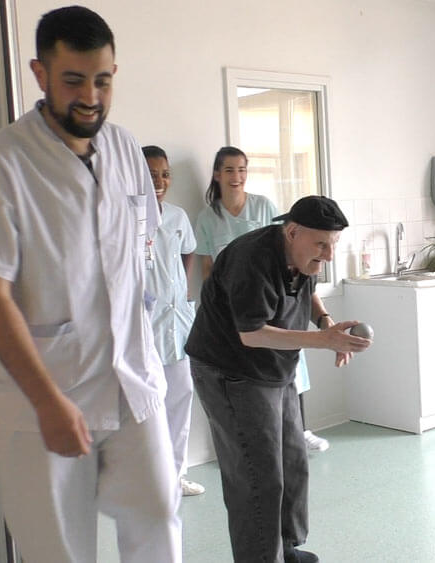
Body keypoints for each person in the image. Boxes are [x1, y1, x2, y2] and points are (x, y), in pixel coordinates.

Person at [0, 7, 180, 562]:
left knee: (158, 523)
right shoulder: (0, 163)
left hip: (130, 384)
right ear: (40, 73)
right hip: (43, 395)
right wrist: (48, 402)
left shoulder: (125, 149)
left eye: (103, 80)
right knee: (59, 549)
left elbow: (138, 246)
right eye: (73, 80)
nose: (90, 96)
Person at [186, 195, 371, 563]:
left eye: (332, 245)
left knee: (292, 461)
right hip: (231, 373)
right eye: (321, 245)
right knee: (257, 478)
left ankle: (284, 550)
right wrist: (323, 341)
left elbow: (308, 288)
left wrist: (325, 321)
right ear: (291, 231)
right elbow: (251, 333)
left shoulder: (301, 255)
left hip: (275, 369)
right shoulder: (250, 259)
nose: (328, 255)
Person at [194, 146, 331, 452]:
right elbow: (208, 270)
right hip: (236, 308)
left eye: (242, 169)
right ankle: (250, 444)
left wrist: (323, 320)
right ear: (217, 175)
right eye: (229, 170)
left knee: (289, 364)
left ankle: (298, 428)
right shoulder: (208, 218)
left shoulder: (263, 207)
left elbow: (296, 262)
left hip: (275, 301)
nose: (236, 176)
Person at [142, 145, 206, 497]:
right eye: (151, 174)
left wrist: (181, 293)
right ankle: (149, 481)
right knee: (147, 407)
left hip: (178, 323)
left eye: (164, 174)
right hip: (145, 328)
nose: (160, 181)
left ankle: (175, 476)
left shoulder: (178, 217)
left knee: (181, 400)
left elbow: (189, 250)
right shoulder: (126, 220)